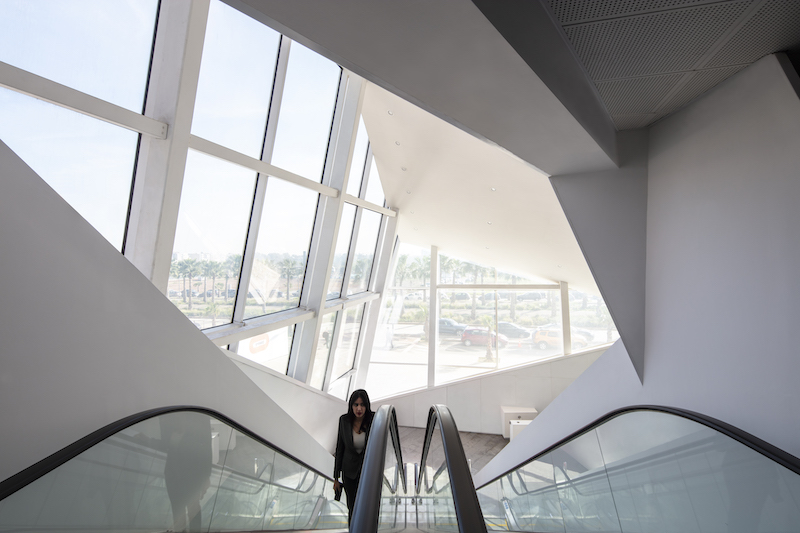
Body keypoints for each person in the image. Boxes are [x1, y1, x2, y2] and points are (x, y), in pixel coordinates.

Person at [333, 389, 374, 523]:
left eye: (362, 405)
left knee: (367, 507)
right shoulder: (344, 421)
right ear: (351, 406)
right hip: (349, 472)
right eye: (356, 405)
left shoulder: (374, 419)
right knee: (352, 507)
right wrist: (336, 477)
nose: (359, 408)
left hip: (367, 472)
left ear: (367, 406)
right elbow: (340, 448)